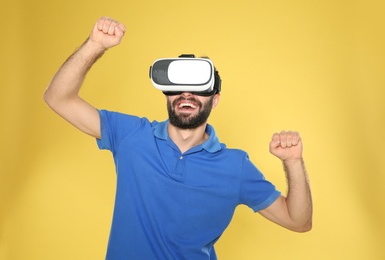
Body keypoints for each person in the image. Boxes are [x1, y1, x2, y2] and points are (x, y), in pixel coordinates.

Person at [44, 16, 312, 260]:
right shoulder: (131, 135)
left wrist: (293, 162)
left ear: (214, 99)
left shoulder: (236, 166)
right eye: (177, 87)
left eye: (198, 87)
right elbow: (58, 98)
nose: (187, 94)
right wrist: (95, 45)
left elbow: (298, 221)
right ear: (167, 94)